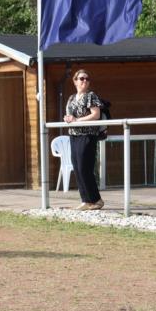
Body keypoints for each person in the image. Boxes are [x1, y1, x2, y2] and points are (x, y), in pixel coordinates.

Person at [63, 69, 105, 210]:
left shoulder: (91, 96)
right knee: (77, 167)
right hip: (74, 135)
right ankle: (87, 200)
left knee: (84, 167)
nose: (84, 81)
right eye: (81, 78)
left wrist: (78, 120)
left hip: (87, 135)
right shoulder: (71, 98)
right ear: (75, 81)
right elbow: (69, 115)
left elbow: (96, 115)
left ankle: (94, 200)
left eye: (87, 79)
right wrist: (68, 118)